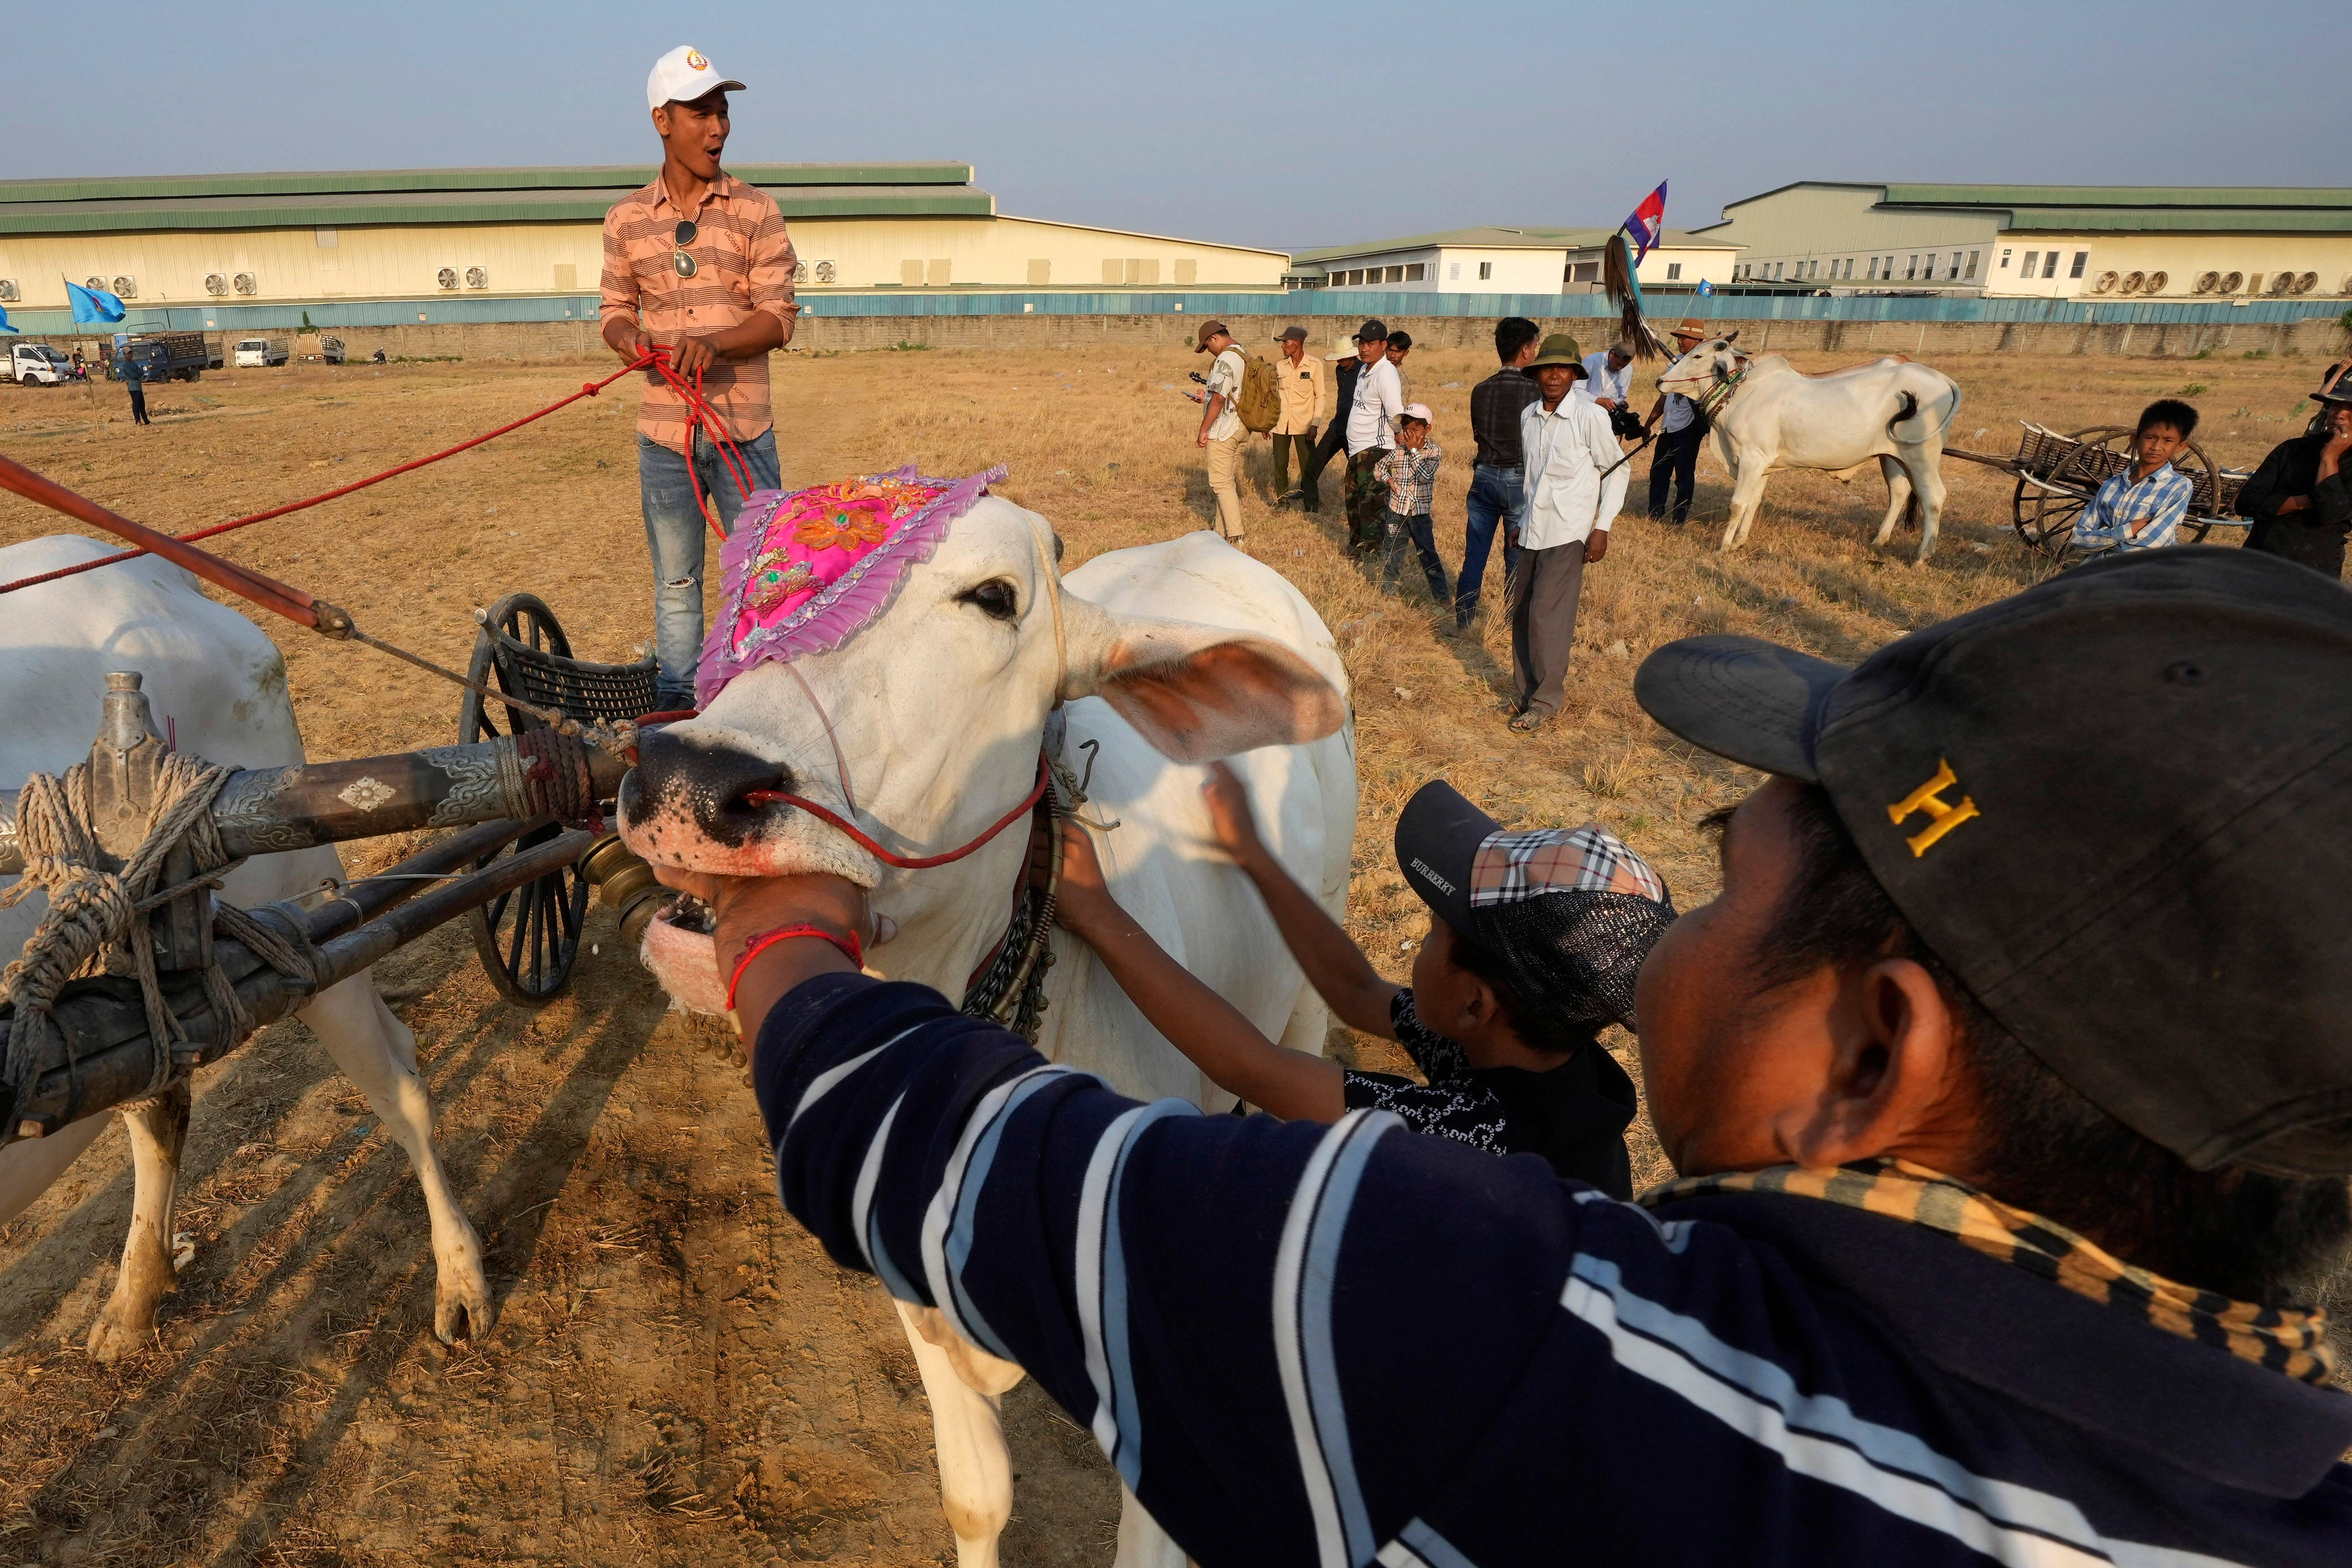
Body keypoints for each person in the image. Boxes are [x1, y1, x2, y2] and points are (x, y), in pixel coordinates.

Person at [675, 545, 2352, 1566]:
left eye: (1721, 872)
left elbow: (943, 1152)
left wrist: (782, 934)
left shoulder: (1495, 1334)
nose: (1666, 950)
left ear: (1864, 1056)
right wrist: (1243, 874)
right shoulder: (2282, 1482)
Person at [1049, 765, 1670, 1192]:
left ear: (1475, 1005)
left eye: (1432, 934)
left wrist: (1099, 914)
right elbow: (1355, 991)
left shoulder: (1477, 1134)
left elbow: (1253, 1069)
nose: (1421, 947)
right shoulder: (1537, 1053)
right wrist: (1254, 854)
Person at [601, 44, 796, 710]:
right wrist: (631, 341)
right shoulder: (625, 220)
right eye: (701, 113)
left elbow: (777, 319)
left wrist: (713, 343)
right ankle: (678, 704)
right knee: (677, 585)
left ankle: (763, 700)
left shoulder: (755, 212)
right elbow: (613, 312)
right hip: (664, 439)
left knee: (764, 581)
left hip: (744, 431)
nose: (718, 128)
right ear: (662, 119)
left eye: (723, 112)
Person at [1510, 333, 1625, 734]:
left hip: (1569, 529)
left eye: (1562, 369)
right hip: (1532, 530)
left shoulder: (1590, 416)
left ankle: (1545, 700)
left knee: (1547, 615)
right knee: (1523, 612)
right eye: (1547, 368)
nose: (1554, 376)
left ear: (1575, 374)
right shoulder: (1528, 416)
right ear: (1537, 373)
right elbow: (1533, 477)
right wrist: (1522, 520)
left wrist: (1601, 527)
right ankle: (1525, 694)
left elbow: (1617, 470)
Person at [1459, 316, 1543, 627]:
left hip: (1483, 476)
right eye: (1535, 346)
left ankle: (1464, 621)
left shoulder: (1480, 390)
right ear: (1525, 349)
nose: (1535, 352)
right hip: (1518, 479)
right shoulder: (1534, 392)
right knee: (1516, 557)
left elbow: (1477, 433)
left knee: (1475, 556)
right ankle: (1512, 622)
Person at [2242, 375, 2352, 578]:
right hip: (2258, 561)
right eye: (2335, 406)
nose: (2340, 415)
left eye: (2350, 409)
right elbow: (2246, 502)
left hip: (2313, 573)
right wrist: (2304, 501)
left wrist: (2330, 458)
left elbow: (2331, 513)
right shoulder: (2291, 450)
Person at [2068, 399, 2199, 554]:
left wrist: (2103, 541)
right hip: (2101, 570)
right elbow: (2079, 539)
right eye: (2150, 438)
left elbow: (2153, 543)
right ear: (2135, 440)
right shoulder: (2112, 485)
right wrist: (2129, 530)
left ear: (2179, 447)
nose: (2156, 447)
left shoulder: (2179, 487)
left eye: (2168, 441)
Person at [1299, 324, 1378, 516]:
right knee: (1313, 464)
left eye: (1344, 358)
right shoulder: (1338, 370)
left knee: (1360, 473)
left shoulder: (1364, 371)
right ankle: (1310, 505)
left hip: (1355, 430)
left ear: (1353, 355)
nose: (1341, 362)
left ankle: (1367, 509)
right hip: (1337, 426)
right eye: (1339, 359)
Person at [1374, 404, 1449, 601]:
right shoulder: (1398, 451)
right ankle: (1389, 595)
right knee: (1392, 554)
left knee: (1428, 556)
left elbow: (1425, 475)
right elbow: (1379, 468)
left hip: (1419, 514)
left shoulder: (1433, 452)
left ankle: (1442, 598)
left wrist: (1413, 451)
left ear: (1428, 429)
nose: (1409, 435)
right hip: (1396, 511)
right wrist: (1389, 480)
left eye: (1415, 431)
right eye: (1406, 430)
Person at [1343, 319, 1404, 554]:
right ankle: (1357, 546)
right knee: (1353, 502)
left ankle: (1372, 553)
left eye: (1371, 344)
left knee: (1371, 505)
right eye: (1362, 343)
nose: (1364, 348)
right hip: (1357, 450)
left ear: (1383, 345)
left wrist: (1398, 436)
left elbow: (1395, 413)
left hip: (1375, 450)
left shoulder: (1386, 373)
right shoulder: (1364, 369)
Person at [1186, 321, 1249, 545]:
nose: (1209, 352)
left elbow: (1221, 399)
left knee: (1221, 484)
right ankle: (1219, 531)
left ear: (1214, 338)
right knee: (1226, 482)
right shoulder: (1242, 353)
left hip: (1224, 429)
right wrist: (1206, 398)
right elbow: (1228, 393)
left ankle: (1235, 536)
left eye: (1207, 346)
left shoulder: (1225, 360)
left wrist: (1203, 430)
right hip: (1241, 426)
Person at [1643, 318, 1710, 525]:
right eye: (1679, 337)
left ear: (1697, 340)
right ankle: (1655, 514)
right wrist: (1649, 424)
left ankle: (1679, 517)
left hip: (1688, 428)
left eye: (1684, 337)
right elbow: (1664, 396)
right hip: (1668, 426)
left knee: (1684, 476)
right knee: (1658, 472)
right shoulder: (1675, 362)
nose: (1679, 341)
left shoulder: (1705, 364)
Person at [1268, 325, 1327, 512]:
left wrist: (1315, 424)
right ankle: (1282, 503)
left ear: (1298, 343)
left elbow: (1321, 396)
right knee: (1280, 465)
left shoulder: (1314, 365)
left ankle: (1311, 505)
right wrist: (1268, 423)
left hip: (1304, 425)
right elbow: (1274, 396)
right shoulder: (1280, 366)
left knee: (1308, 466)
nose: (1283, 346)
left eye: (1286, 342)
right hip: (1281, 425)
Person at [1384, 328, 1414, 399]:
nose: (1393, 356)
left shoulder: (1402, 381)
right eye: (1390, 350)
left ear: (1406, 353)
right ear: (1385, 349)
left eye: (1398, 352)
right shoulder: (1378, 370)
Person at [124, 359, 148, 427]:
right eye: (128, 354)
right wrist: (137, 374)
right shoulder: (126, 365)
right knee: (136, 404)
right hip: (133, 388)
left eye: (130, 353)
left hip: (139, 387)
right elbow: (133, 375)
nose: (130, 355)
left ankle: (146, 421)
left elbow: (141, 372)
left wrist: (137, 373)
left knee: (142, 404)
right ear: (125, 355)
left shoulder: (133, 363)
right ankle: (138, 421)